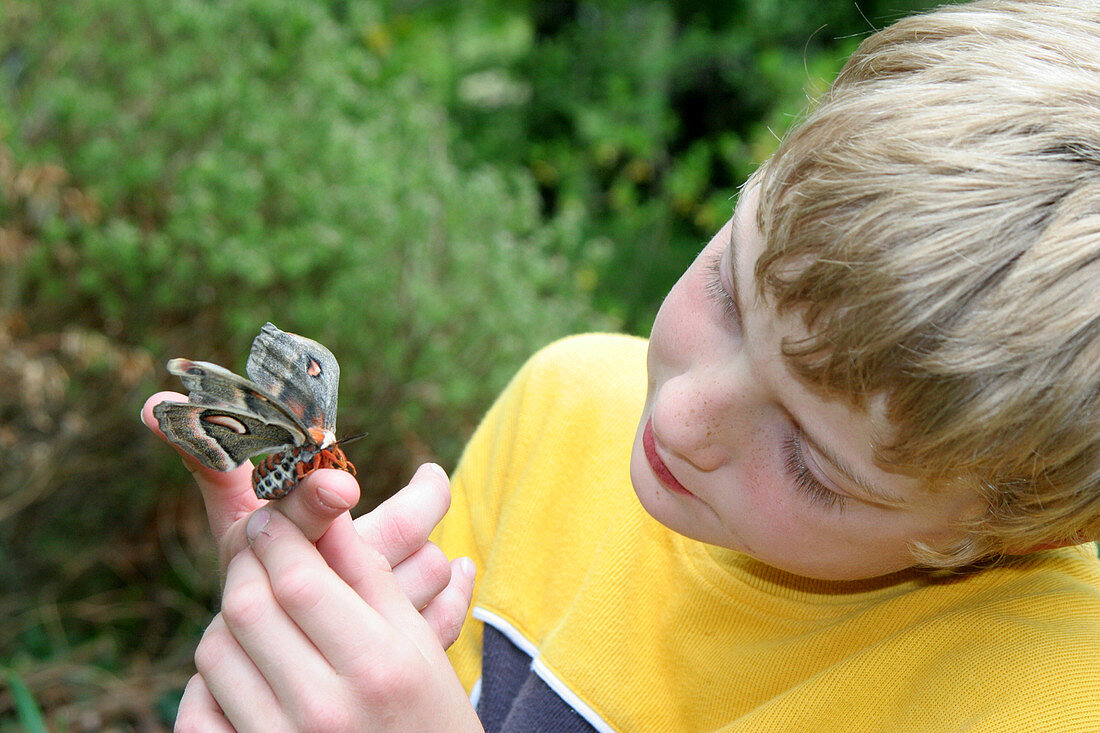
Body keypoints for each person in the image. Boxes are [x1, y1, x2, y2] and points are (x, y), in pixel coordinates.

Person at [144, 0, 1100, 729]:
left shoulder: (1052, 694)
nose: (682, 416)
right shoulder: (565, 409)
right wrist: (296, 647)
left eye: (814, 463)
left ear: (1004, 524)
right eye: (729, 288)